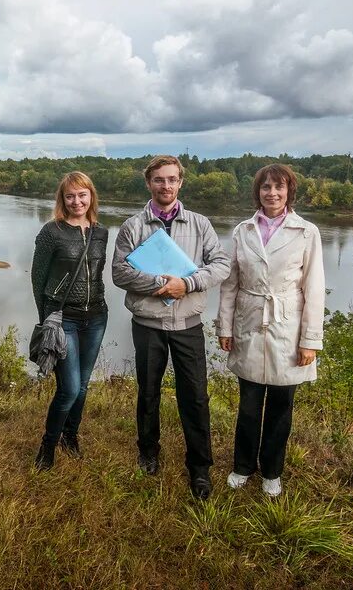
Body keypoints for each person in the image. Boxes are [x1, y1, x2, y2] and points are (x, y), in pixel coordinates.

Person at [112, 155, 230, 500]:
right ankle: (148, 452)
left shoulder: (200, 224)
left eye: (173, 179)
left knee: (195, 396)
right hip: (148, 324)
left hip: (188, 324)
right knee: (148, 392)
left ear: (181, 183)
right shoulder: (133, 226)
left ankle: (200, 468)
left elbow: (221, 264)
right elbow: (120, 273)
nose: (166, 185)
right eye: (159, 180)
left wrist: (188, 284)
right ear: (149, 183)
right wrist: (160, 282)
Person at [216, 164, 325, 498]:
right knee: (249, 402)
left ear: (290, 191)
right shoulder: (242, 231)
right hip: (249, 321)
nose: (272, 193)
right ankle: (243, 465)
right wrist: (225, 325)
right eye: (266, 187)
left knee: (281, 405)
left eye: (279, 187)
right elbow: (231, 283)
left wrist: (310, 340)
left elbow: (314, 288)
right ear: (257, 191)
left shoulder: (306, 232)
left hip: (287, 326)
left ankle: (272, 471)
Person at [31, 171, 109, 470]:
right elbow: (38, 279)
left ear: (91, 196)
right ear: (62, 200)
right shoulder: (52, 232)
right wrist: (46, 320)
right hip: (63, 319)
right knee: (69, 388)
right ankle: (47, 445)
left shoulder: (101, 232)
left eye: (82, 195)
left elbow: (99, 274)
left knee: (84, 385)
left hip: (97, 316)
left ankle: (70, 436)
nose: (77, 201)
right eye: (70, 196)